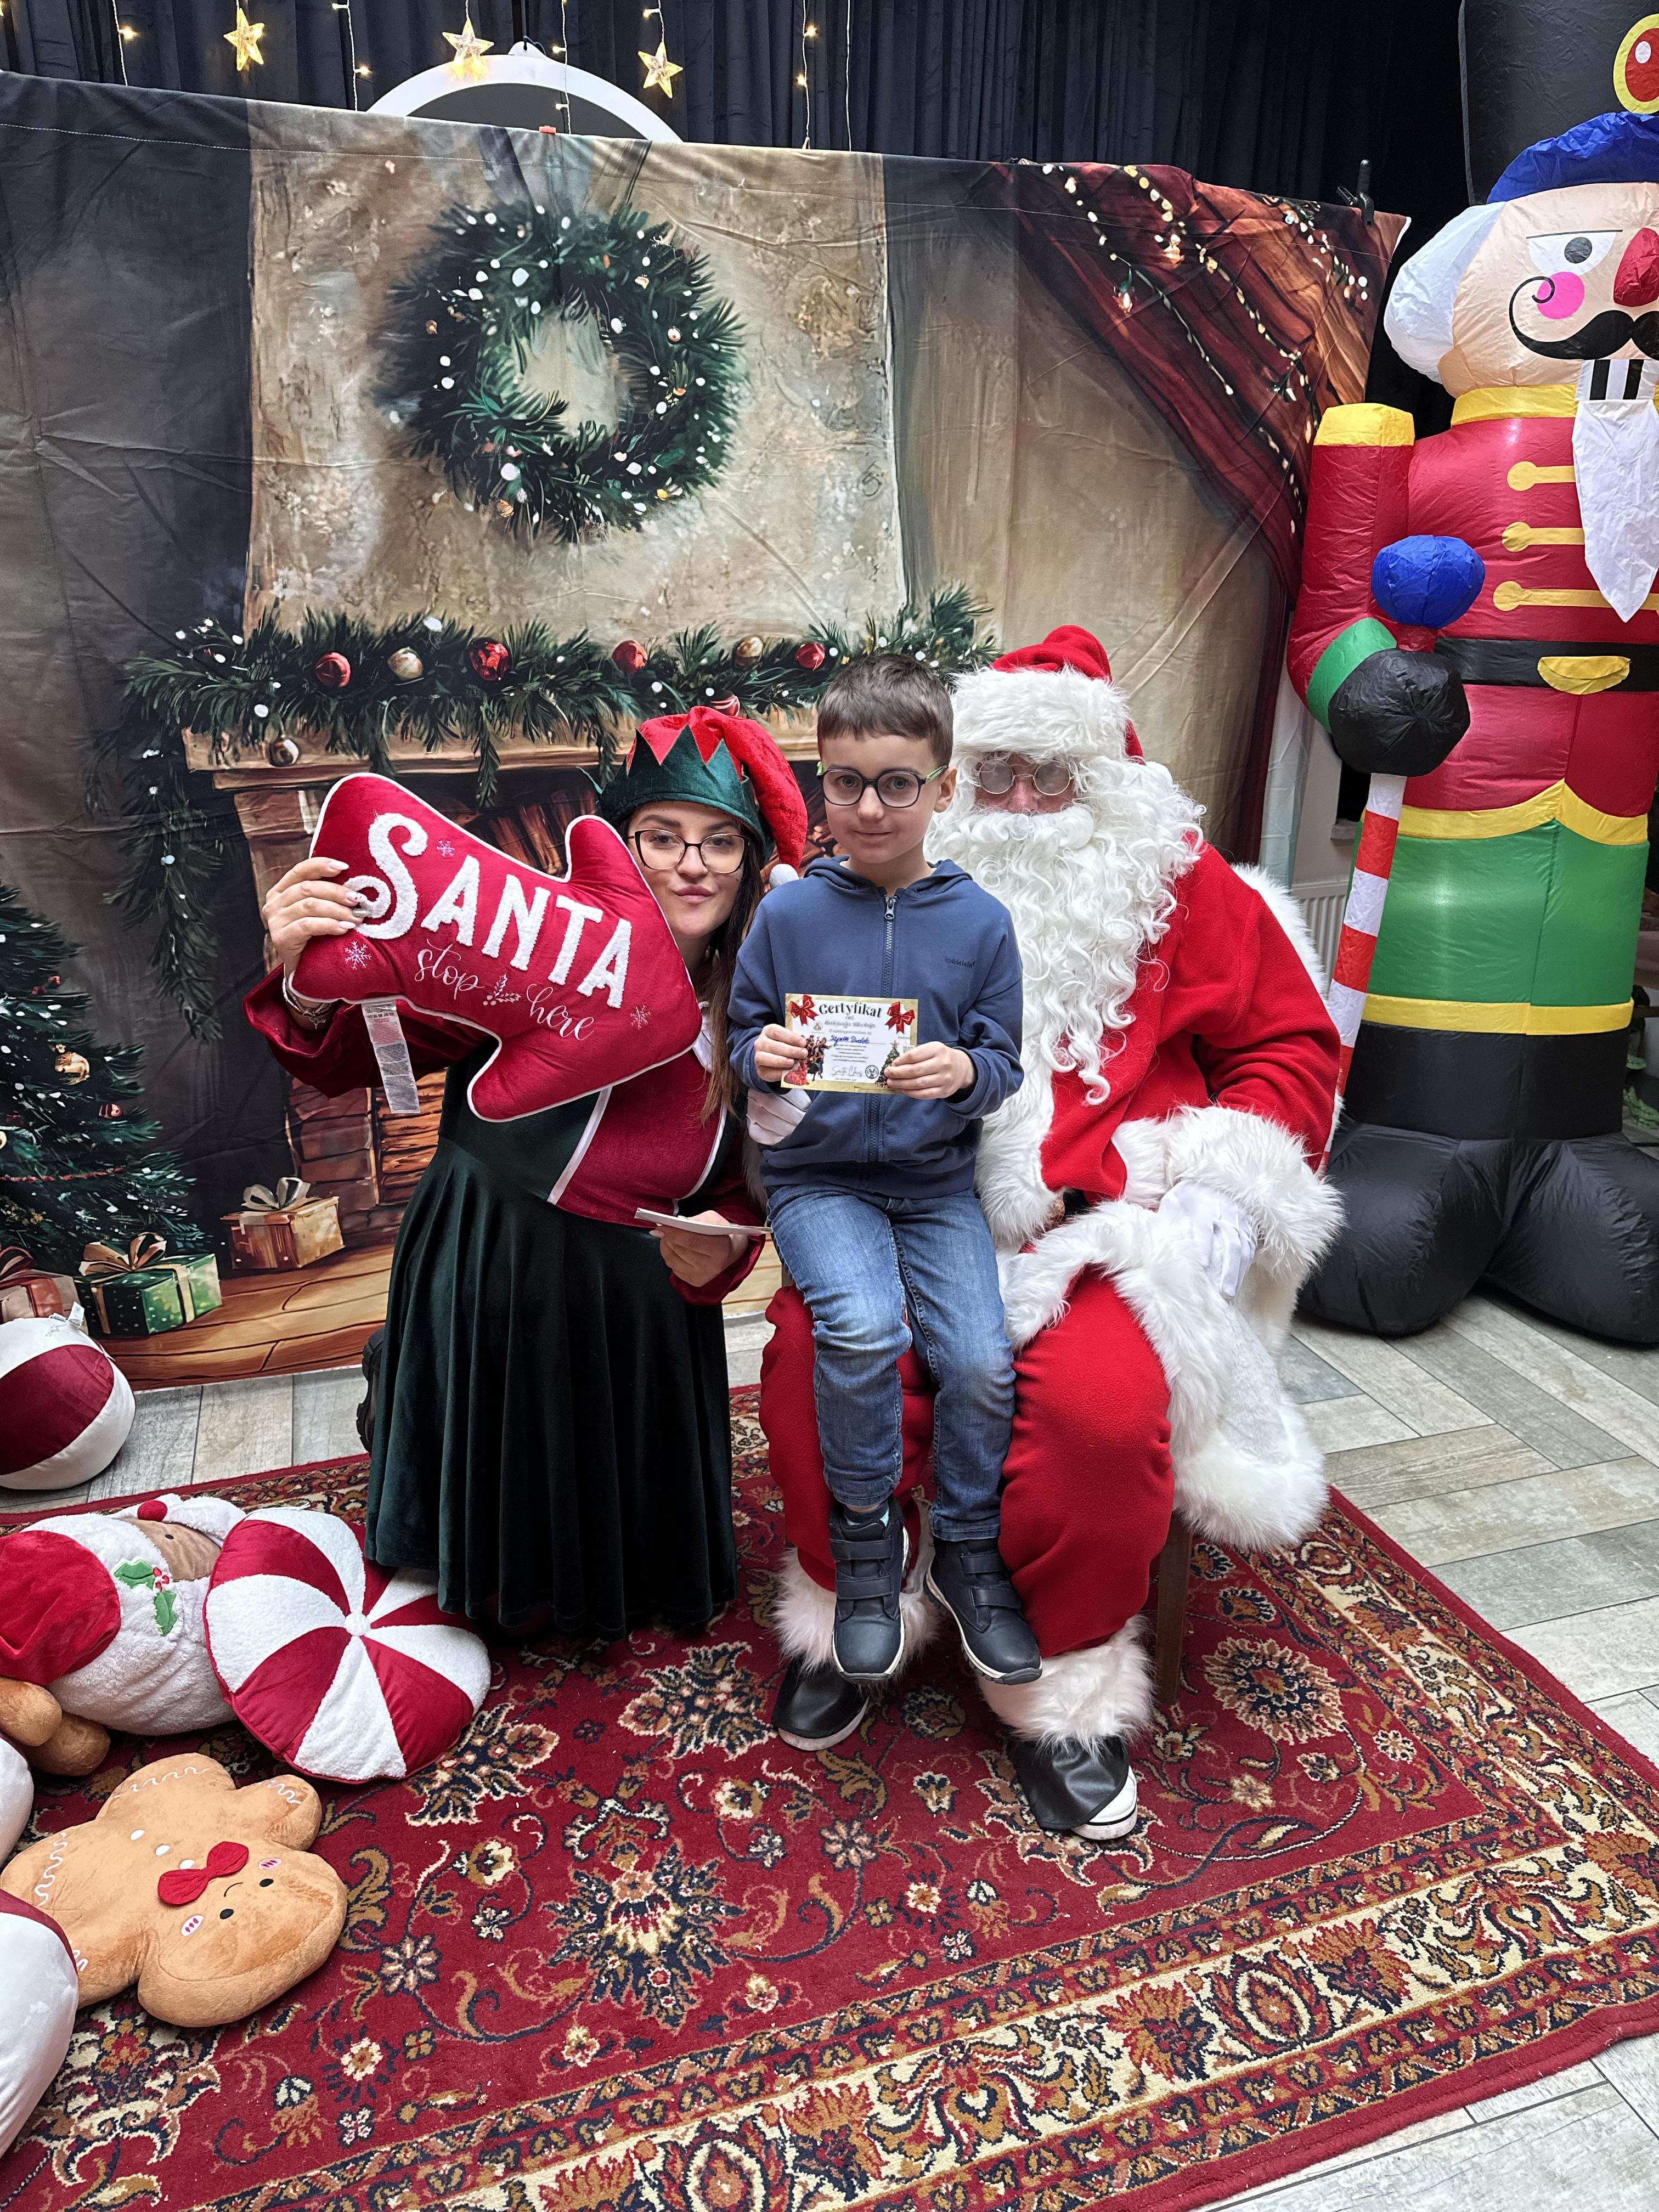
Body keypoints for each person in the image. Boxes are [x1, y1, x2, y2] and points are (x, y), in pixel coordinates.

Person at [759, 627, 1344, 1836]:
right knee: (815, 1359)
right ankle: (855, 1603)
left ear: (1109, 783)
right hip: (896, 1198)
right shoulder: (865, 890)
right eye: (999, 775)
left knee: (1096, 1415)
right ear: (953, 785)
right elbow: (776, 1050)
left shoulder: (1181, 886)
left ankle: (1064, 1692)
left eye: (1055, 778)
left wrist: (1218, 1188)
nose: (1023, 804)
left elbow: (1289, 1047)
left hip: (1100, 1231)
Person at [247, 706, 806, 1635]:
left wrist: (728, 1246)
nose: (692, 864)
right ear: (621, 846)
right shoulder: (520, 935)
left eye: (720, 842)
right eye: (662, 836)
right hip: (489, 1254)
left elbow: (760, 1176)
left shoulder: (768, 1002)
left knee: (630, 1543)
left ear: (750, 865)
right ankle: (420, 1426)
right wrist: (306, 979)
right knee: (482, 1493)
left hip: (639, 1295)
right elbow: (358, 1057)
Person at [727, 656, 1036, 1694]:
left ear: (944, 788)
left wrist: (965, 1074)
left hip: (936, 1184)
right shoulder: (788, 917)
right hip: (819, 1181)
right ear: (822, 784)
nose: (869, 807)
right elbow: (742, 1034)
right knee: (860, 1329)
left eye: (897, 782)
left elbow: (1003, 1063)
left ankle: (966, 1543)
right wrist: (764, 1055)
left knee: (981, 1359)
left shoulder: (982, 924)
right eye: (846, 782)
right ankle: (867, 1537)